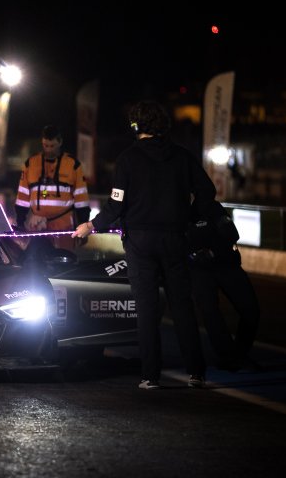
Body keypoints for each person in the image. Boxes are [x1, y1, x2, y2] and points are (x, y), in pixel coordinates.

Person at [72, 100, 217, 390]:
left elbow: (115, 206)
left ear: (136, 127)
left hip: (139, 242)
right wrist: (190, 219)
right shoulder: (183, 156)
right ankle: (197, 373)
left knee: (147, 309)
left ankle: (150, 376)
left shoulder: (127, 159)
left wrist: (90, 226)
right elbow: (207, 192)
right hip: (176, 239)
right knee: (182, 306)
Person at [188, 200, 261, 371]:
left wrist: (213, 250)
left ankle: (239, 354)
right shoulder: (174, 206)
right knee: (209, 312)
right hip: (199, 270)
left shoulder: (210, 205)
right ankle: (229, 356)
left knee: (251, 310)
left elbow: (231, 233)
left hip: (227, 265)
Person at [15, 125, 90, 250]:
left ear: (60, 142)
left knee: (65, 263)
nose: (48, 150)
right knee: (36, 263)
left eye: (52, 146)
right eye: (45, 145)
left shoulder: (72, 165)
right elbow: (22, 196)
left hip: (64, 226)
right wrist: (20, 222)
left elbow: (81, 200)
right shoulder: (31, 164)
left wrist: (83, 226)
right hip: (37, 226)